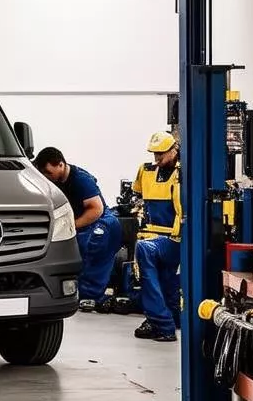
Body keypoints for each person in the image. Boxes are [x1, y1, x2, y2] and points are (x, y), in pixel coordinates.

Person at [33, 147, 124, 311]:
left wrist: (71, 226)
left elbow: (96, 209)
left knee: (92, 241)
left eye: (48, 172)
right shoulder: (55, 182)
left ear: (60, 165)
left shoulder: (81, 179)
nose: (46, 176)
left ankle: (90, 296)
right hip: (83, 223)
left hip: (102, 221)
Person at [131, 131, 182, 342]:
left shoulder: (183, 174)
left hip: (175, 238)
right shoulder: (146, 170)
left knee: (144, 251)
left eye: (161, 153)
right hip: (153, 235)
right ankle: (170, 317)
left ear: (174, 150)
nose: (157, 159)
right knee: (166, 278)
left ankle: (162, 324)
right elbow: (138, 194)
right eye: (154, 154)